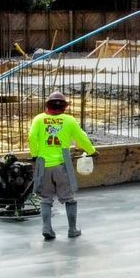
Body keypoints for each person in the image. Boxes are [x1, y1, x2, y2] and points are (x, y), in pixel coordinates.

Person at [27, 90, 96, 241]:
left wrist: (34, 154)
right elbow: (81, 138)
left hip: (43, 163)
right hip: (62, 164)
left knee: (45, 199)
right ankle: (72, 229)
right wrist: (92, 151)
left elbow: (31, 136)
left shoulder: (39, 119)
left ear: (48, 105)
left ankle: (47, 228)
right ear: (64, 107)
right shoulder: (69, 120)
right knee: (69, 198)